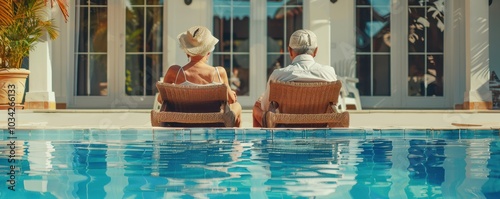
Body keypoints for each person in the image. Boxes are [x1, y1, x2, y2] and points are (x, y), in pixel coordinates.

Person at [158, 25, 242, 127]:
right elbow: (231, 100)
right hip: (214, 123)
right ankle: (235, 142)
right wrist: (231, 94)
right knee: (237, 106)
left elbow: (161, 99)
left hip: (181, 123)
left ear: (187, 52)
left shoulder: (174, 72)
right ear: (209, 51)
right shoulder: (218, 72)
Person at [252, 29, 338, 127]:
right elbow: (334, 105)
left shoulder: (278, 76)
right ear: (316, 51)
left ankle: (266, 142)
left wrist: (261, 100)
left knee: (257, 107)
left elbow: (266, 107)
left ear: (290, 51)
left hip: (284, 130)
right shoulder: (329, 73)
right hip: (319, 128)